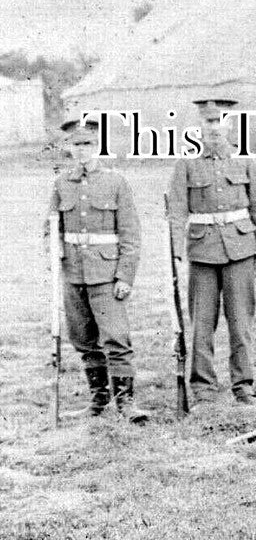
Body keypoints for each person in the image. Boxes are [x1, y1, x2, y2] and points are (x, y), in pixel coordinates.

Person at [167, 96, 256, 406]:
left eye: (219, 121)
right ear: (199, 125)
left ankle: (244, 385)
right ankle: (204, 388)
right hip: (202, 251)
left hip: (241, 249)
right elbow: (177, 211)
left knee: (241, 322)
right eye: (208, 121)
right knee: (202, 323)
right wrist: (176, 253)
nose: (214, 127)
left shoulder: (245, 160)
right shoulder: (186, 163)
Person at [48, 116, 147, 422]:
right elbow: (51, 228)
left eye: (88, 143)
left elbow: (130, 234)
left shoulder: (115, 182)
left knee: (116, 338)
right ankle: (99, 398)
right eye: (76, 144)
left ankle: (125, 403)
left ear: (97, 145)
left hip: (106, 274)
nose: (82, 149)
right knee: (83, 339)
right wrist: (54, 255)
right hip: (73, 273)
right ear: (69, 147)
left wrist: (125, 276)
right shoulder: (61, 183)